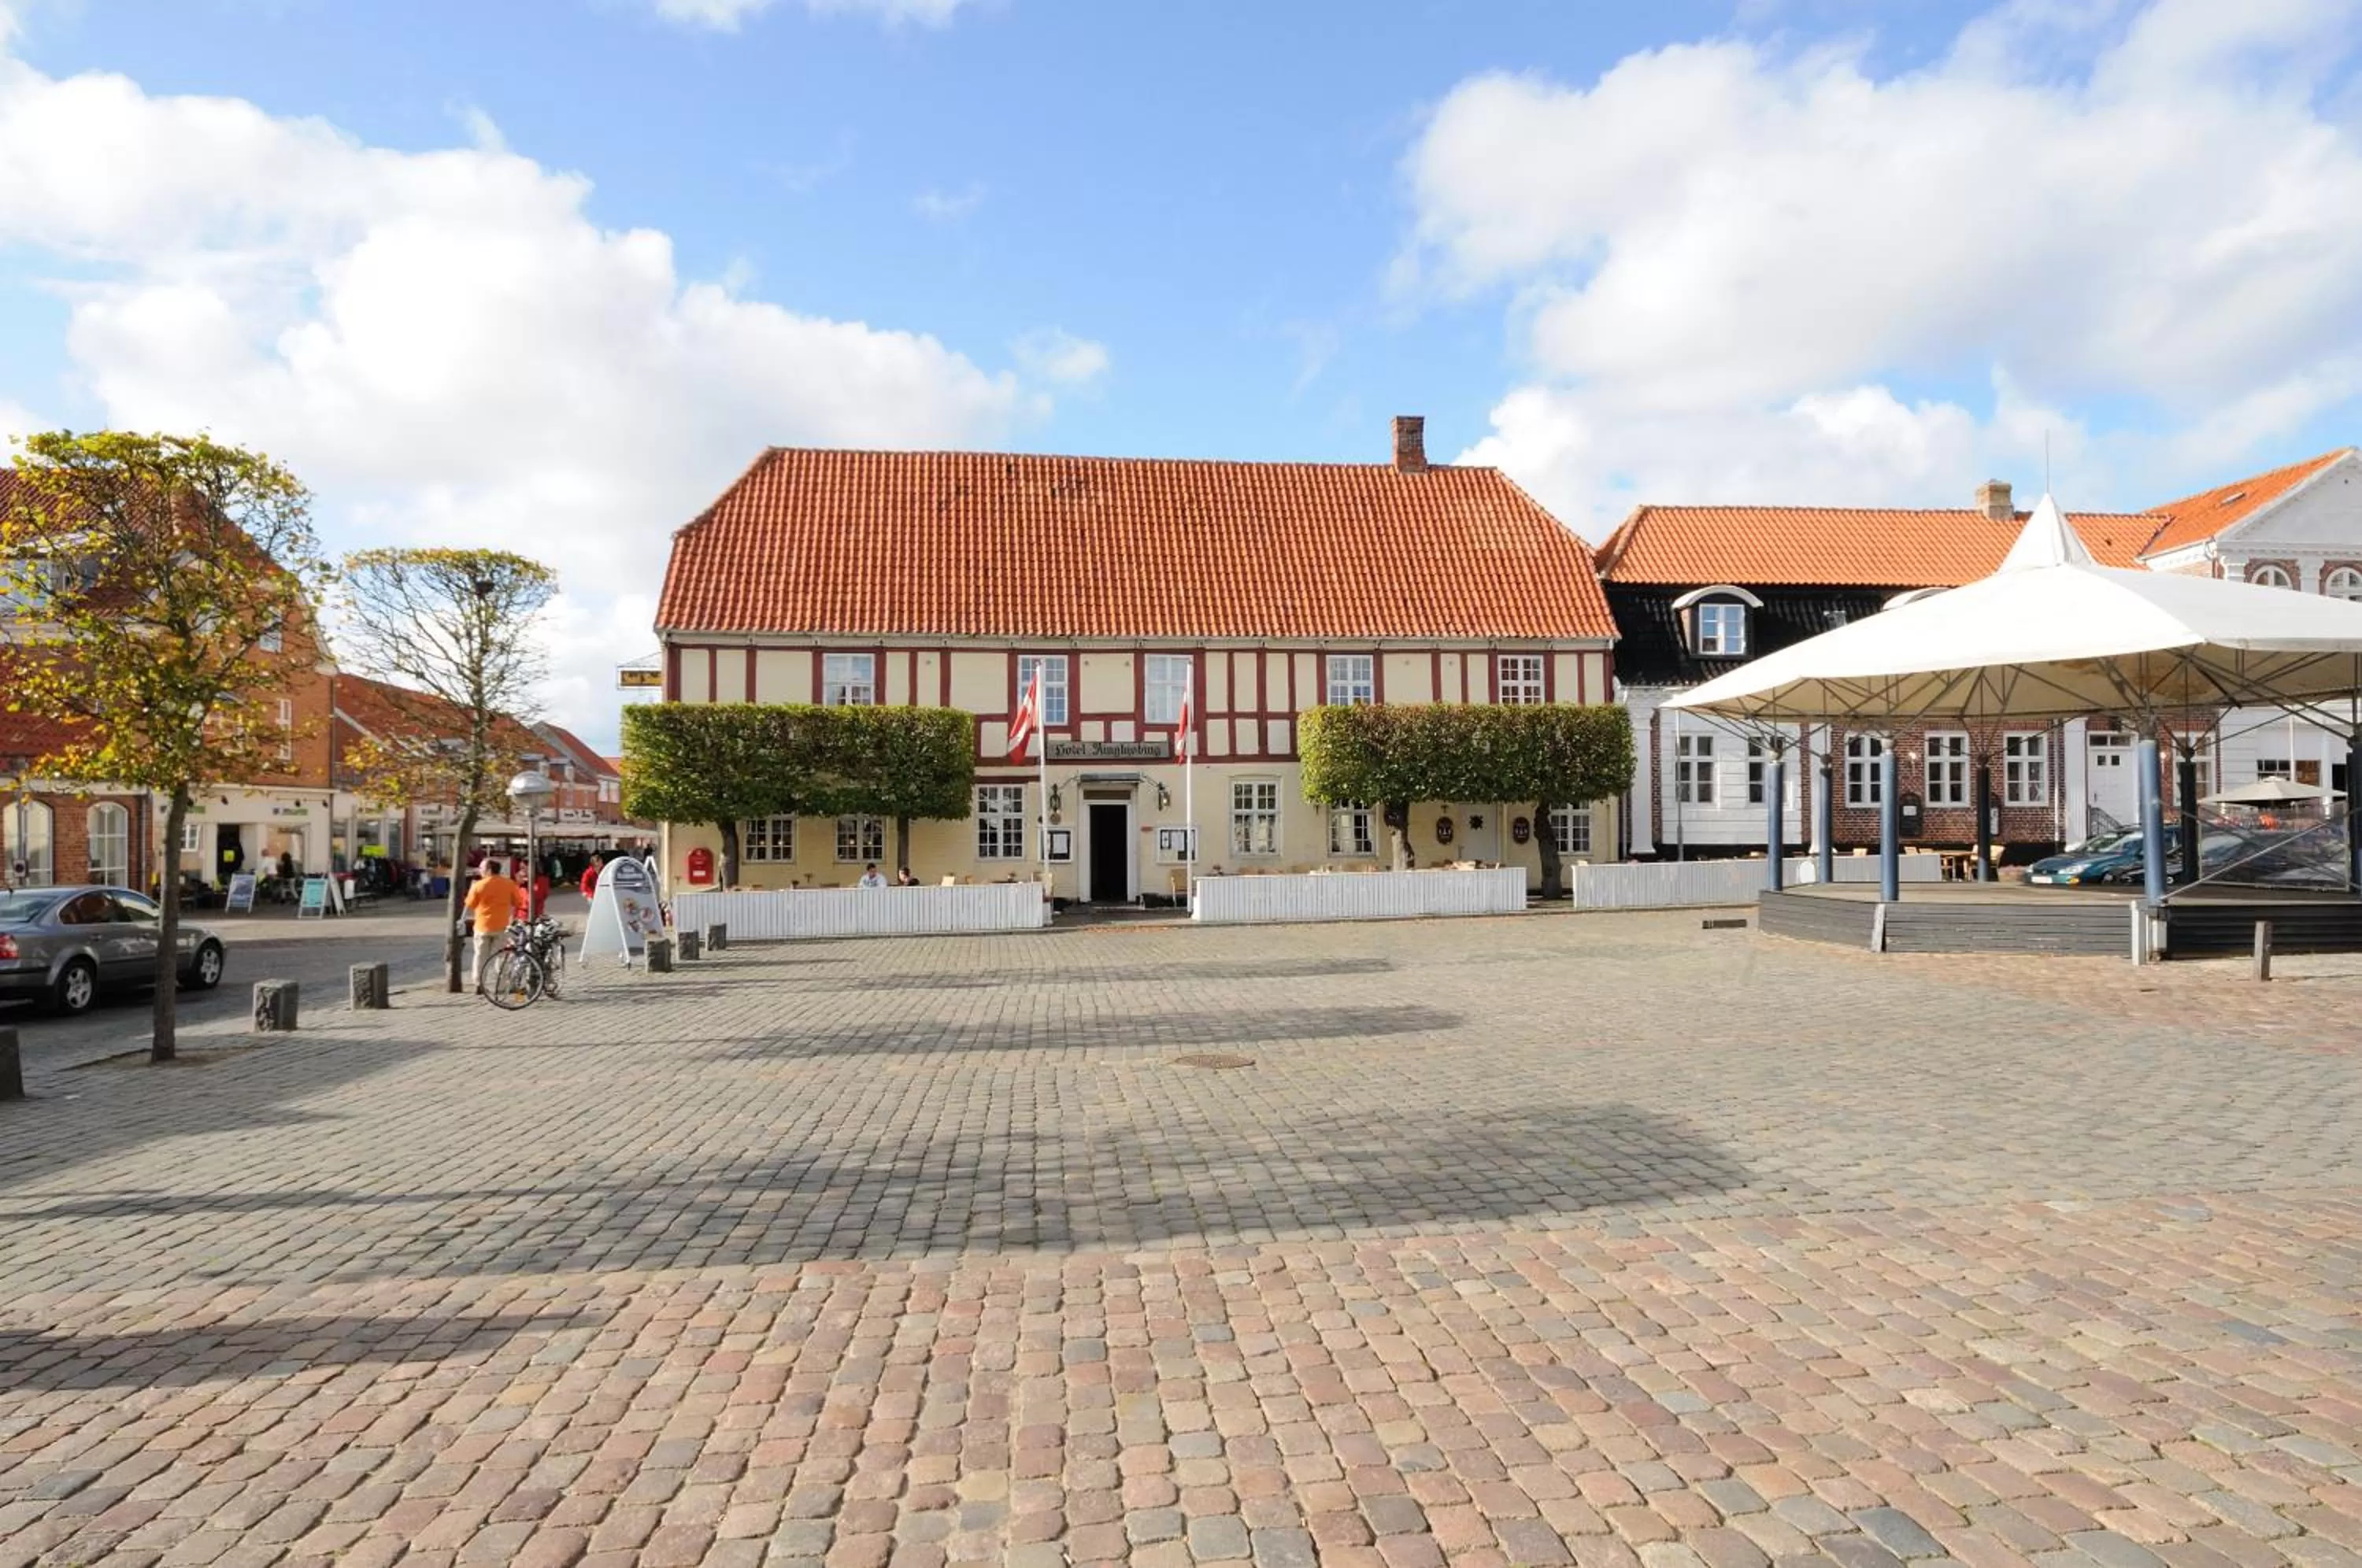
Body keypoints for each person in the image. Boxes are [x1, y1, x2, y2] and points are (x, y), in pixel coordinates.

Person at [464, 856, 524, 993]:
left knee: (480, 956)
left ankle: (479, 984)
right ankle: (501, 986)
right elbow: (518, 902)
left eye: (482, 868)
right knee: (501, 956)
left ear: (489, 870)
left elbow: (470, 904)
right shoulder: (509, 884)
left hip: (482, 926)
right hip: (501, 925)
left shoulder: (478, 885)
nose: (480, 870)